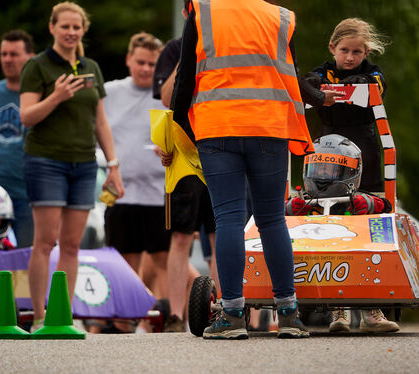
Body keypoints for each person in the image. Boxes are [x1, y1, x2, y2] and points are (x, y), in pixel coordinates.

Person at [171, 0, 318, 339]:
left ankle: (233, 314)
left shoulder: (203, 12)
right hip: (269, 127)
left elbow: (185, 78)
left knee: (229, 219)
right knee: (271, 220)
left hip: (217, 127)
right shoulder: (282, 17)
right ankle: (290, 315)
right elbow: (293, 75)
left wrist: (183, 129)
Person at [19, 1, 124, 332]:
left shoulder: (91, 66)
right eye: (64, 26)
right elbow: (26, 116)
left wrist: (113, 165)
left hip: (83, 164)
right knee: (45, 241)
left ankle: (61, 316)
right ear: (51, 28)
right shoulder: (37, 66)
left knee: (72, 244)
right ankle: (38, 317)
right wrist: (56, 97)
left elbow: (101, 122)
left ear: (84, 29)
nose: (71, 32)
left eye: (76, 27)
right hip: (46, 161)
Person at [91, 32, 169, 334]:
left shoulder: (166, 93)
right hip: (120, 192)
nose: (147, 69)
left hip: (158, 192)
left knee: (164, 259)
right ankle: (123, 318)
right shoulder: (109, 92)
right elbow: (95, 131)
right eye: (141, 62)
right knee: (124, 261)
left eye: (152, 63)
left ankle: (166, 319)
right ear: (128, 60)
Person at [286, 134, 400, 333]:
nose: (323, 175)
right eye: (319, 168)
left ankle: (371, 312)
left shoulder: (359, 200)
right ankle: (339, 311)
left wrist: (369, 203)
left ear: (349, 172)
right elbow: (279, 213)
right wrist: (291, 206)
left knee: (370, 249)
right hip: (313, 260)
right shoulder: (302, 202)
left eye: (331, 170)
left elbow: (387, 206)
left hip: (353, 258)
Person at [154, 0, 218, 333]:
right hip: (182, 155)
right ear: (186, 13)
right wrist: (188, 56)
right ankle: (176, 314)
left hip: (221, 148)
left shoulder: (225, 41)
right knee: (181, 237)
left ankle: (224, 306)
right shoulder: (174, 49)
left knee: (220, 234)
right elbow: (166, 98)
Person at [305, 18, 389, 193]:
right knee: (323, 191)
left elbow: (379, 85)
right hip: (327, 144)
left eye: (356, 52)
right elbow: (307, 82)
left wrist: (362, 81)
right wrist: (315, 83)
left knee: (368, 192)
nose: (350, 57)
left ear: (366, 52)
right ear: (332, 48)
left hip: (364, 142)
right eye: (344, 50)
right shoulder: (324, 71)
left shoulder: (372, 71)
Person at [0, 30, 35, 249]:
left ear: (30, 57)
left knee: (27, 254)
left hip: (30, 193)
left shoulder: (39, 96)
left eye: (14, 54)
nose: (7, 59)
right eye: (3, 54)